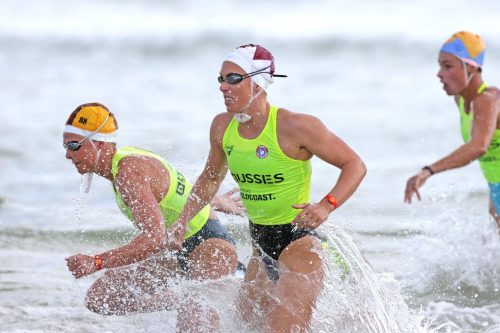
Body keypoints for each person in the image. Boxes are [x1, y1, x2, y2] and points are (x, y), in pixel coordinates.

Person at [168, 44, 367, 332]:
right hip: (261, 248)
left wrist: (326, 205)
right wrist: (183, 219)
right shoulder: (222, 127)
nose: (223, 87)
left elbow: (354, 164)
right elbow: (211, 179)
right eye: (221, 79)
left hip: (300, 243)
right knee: (246, 326)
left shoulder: (295, 126)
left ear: (259, 82)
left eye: (233, 79)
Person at [63, 103, 244, 331]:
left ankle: (216, 287)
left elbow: (154, 239)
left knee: (193, 322)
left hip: (210, 248)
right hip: (178, 255)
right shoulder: (125, 163)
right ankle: (183, 295)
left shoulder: (128, 172)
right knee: (100, 298)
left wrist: (96, 262)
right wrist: (214, 199)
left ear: (99, 143)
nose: (68, 154)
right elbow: (173, 186)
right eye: (66, 146)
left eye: (74, 145)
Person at [404, 31, 500, 229]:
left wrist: (428, 171)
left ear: (471, 67)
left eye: (447, 66)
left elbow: (478, 147)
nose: (439, 73)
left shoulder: (488, 99)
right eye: (440, 65)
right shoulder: (462, 99)